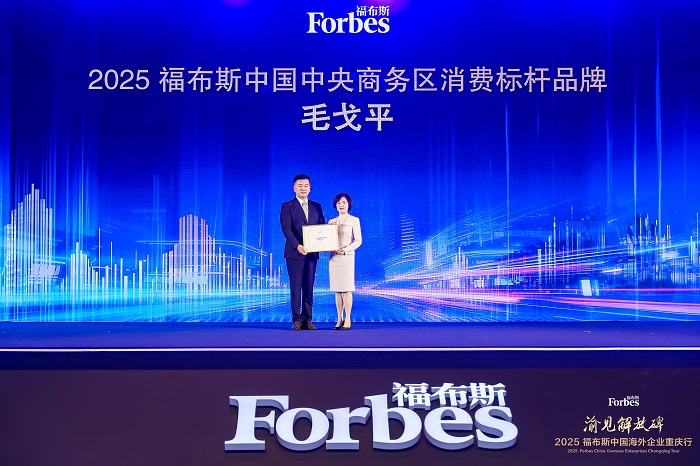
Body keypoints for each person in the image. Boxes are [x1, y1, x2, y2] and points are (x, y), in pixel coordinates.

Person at [280, 174, 325, 330]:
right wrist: (297, 245)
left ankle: (307, 319)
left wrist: (325, 242)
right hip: (294, 253)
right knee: (296, 286)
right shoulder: (287, 206)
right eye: (300, 185)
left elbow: (322, 227)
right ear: (294, 188)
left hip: (312, 254)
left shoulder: (317, 206)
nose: (303, 188)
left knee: (309, 286)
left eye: (306, 185)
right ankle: (297, 320)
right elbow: (286, 229)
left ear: (310, 188)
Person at [328, 193, 362, 330]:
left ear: (349, 204)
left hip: (347, 257)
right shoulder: (331, 221)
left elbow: (358, 240)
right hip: (334, 258)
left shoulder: (354, 220)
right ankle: (339, 318)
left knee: (347, 289)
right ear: (335, 205)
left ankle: (348, 318)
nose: (341, 205)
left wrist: (346, 250)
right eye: (338, 203)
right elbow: (326, 240)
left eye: (344, 202)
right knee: (337, 290)